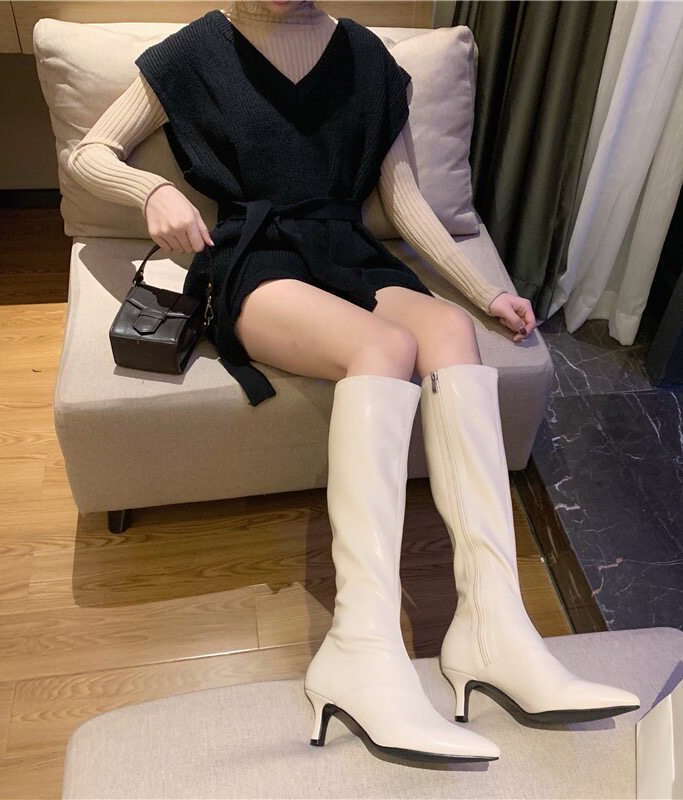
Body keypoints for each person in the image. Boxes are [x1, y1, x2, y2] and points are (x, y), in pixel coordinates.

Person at [69, 0, 640, 764]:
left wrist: (484, 291)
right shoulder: (198, 48)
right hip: (258, 259)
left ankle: (494, 627)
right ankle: (359, 646)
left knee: (449, 331)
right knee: (385, 347)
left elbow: (404, 200)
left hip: (347, 252)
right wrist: (152, 191)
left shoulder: (368, 58)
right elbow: (89, 152)